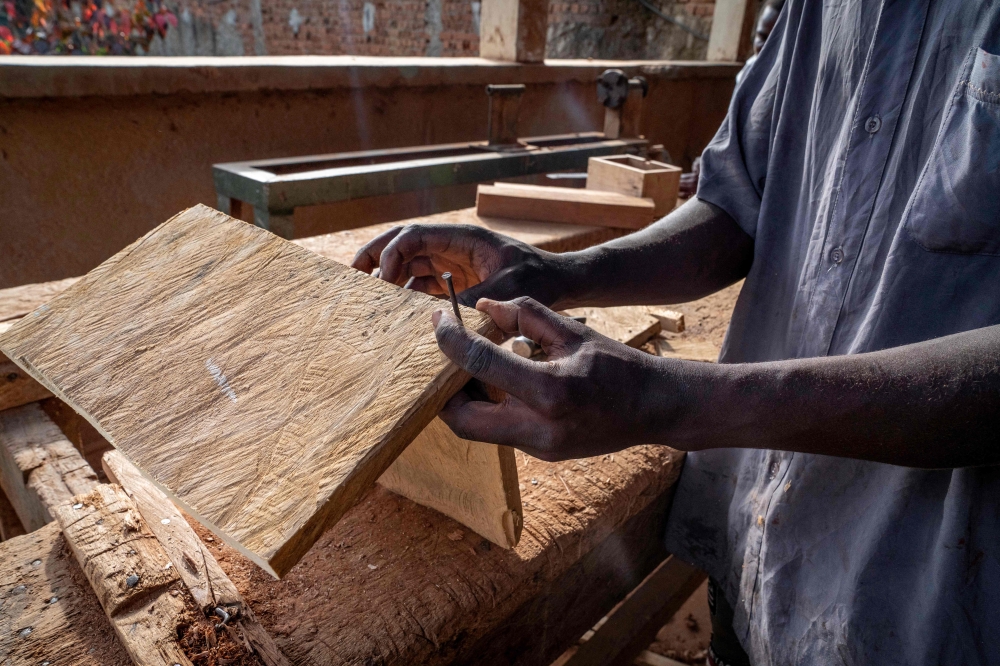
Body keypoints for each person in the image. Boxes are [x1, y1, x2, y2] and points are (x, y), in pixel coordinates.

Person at [352, 1, 1000, 663]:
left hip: (922, 596)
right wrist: (554, 270)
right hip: (754, 545)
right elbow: (734, 205)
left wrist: (673, 403)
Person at [679, 0, 785, 199]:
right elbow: (731, 136)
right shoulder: (748, 73)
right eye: (761, 38)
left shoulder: (796, 95)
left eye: (776, 44)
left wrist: (719, 176)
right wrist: (708, 162)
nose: (765, 51)